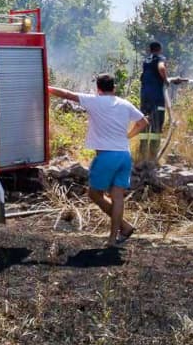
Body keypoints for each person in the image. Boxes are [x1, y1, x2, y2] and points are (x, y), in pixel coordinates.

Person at [48, 74, 150, 247]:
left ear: (98, 88)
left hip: (106, 157)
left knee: (94, 194)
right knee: (118, 197)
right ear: (114, 88)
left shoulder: (94, 101)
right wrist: (128, 136)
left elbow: (67, 94)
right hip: (124, 155)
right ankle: (114, 238)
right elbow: (143, 122)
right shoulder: (125, 103)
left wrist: (46, 87)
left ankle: (124, 226)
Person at [138, 42, 169, 162]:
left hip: (145, 99)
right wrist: (165, 80)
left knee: (145, 124)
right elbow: (161, 68)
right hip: (157, 99)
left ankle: (142, 154)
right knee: (156, 127)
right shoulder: (160, 58)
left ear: (149, 49)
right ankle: (152, 157)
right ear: (159, 49)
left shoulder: (146, 61)